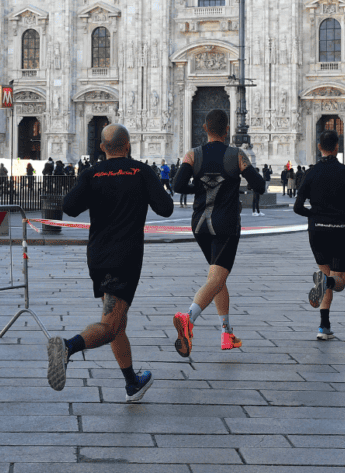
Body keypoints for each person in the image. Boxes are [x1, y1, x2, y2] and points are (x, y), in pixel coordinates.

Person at [47, 124, 173, 402]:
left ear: (103, 147)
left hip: (98, 257)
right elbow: (166, 208)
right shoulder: (141, 171)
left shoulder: (92, 173)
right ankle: (67, 347)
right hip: (125, 258)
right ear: (128, 145)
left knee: (117, 321)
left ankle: (132, 383)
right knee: (111, 325)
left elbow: (69, 207)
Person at [171, 108, 265, 357]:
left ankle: (227, 333)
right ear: (227, 130)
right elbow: (259, 185)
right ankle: (188, 318)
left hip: (200, 225)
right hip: (226, 225)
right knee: (216, 278)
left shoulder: (193, 154)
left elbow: (177, 185)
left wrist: (200, 189)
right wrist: (233, 182)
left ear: (204, 128)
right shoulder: (236, 155)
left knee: (217, 276)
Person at [294, 130, 345, 340]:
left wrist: (314, 215)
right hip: (338, 232)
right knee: (339, 281)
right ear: (337, 147)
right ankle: (326, 285)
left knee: (325, 274)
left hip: (316, 231)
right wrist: (344, 212)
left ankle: (324, 327)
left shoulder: (311, 173)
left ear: (319, 147)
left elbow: (298, 207)